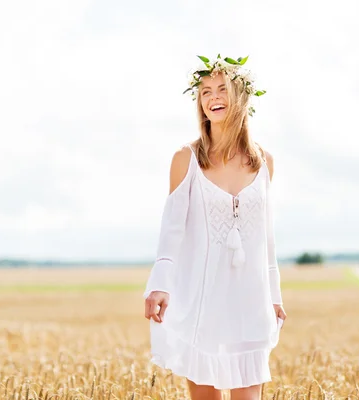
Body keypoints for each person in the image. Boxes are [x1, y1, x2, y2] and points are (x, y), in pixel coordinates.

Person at [143, 54, 286, 400]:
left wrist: (274, 296)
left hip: (249, 301)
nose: (213, 97)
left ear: (242, 98)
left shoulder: (264, 162)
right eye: (205, 91)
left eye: (223, 89)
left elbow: (265, 237)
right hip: (201, 301)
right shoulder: (186, 159)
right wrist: (160, 285)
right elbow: (172, 230)